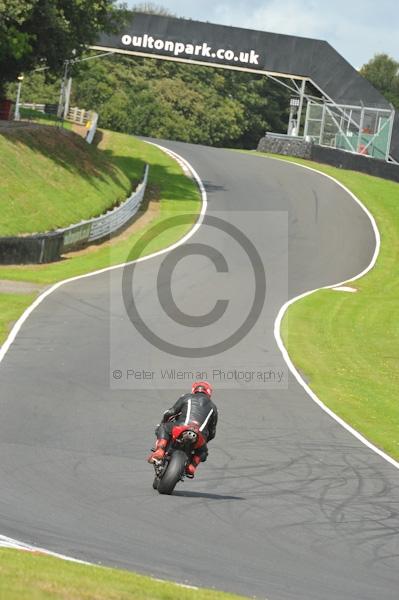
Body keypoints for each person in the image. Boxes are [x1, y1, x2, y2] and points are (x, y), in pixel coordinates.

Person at [147, 381, 218, 477]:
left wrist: (163, 422)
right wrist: (203, 442)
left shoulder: (187, 397)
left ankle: (160, 450)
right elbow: (212, 432)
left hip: (181, 427)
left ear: (194, 390)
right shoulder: (214, 408)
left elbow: (170, 412)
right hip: (199, 435)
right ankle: (192, 466)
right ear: (209, 392)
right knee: (203, 452)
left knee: (164, 427)